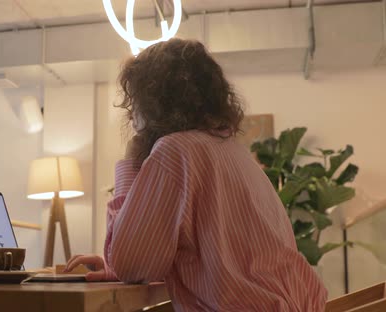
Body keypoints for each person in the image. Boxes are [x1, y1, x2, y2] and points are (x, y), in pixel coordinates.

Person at [63, 39, 327, 311]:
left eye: (135, 102)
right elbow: (163, 262)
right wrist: (119, 267)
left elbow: (130, 264)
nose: (130, 117)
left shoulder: (175, 150)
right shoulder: (234, 152)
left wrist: (131, 162)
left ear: (155, 103)